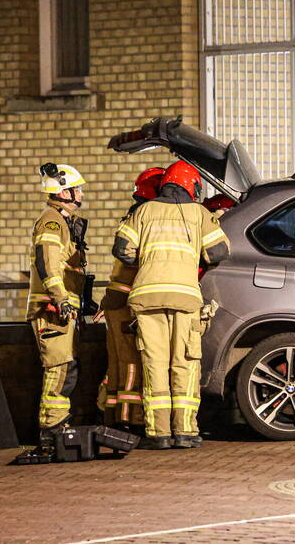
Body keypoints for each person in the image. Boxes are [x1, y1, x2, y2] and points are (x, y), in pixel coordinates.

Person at [113, 161, 230, 449]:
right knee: (185, 363)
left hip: (147, 296)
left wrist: (149, 262)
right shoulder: (198, 213)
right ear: (191, 185)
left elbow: (121, 250)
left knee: (154, 364)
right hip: (184, 298)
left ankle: (159, 433)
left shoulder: (143, 211)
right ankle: (186, 432)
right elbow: (219, 251)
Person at [24, 162, 88, 460]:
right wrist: (61, 298)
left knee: (66, 368)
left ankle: (56, 428)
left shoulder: (62, 221)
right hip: (52, 310)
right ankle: (52, 431)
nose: (81, 193)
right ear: (63, 191)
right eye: (77, 189)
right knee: (59, 369)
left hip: (62, 309)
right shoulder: (51, 221)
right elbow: (48, 263)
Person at [97, 167, 165, 432]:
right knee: (132, 363)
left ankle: (113, 415)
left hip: (116, 301)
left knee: (117, 363)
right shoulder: (143, 218)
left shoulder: (132, 217)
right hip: (127, 304)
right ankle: (130, 419)